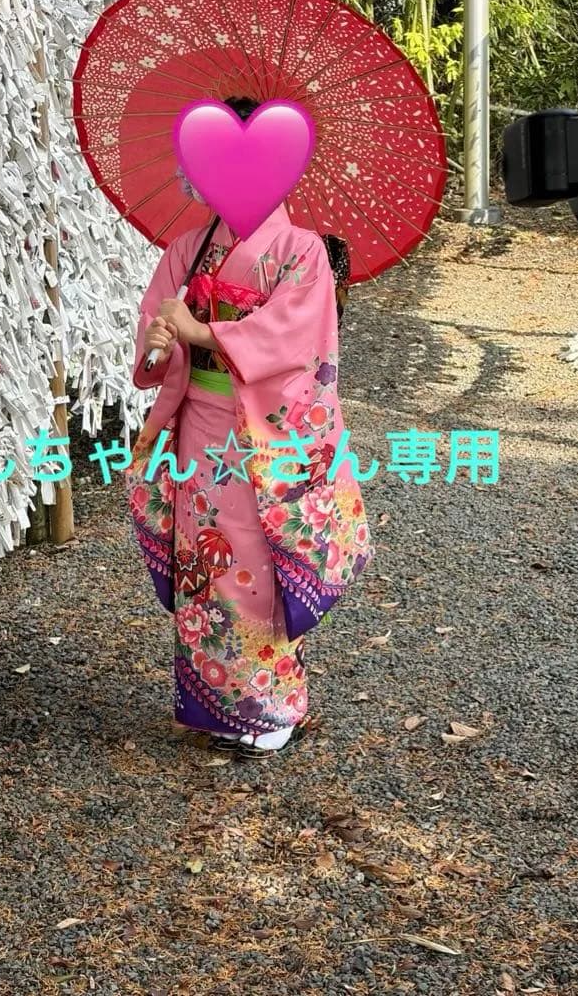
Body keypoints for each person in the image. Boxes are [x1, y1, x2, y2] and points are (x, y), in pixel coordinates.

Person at [125, 96, 374, 759]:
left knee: (257, 567)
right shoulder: (187, 250)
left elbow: (294, 342)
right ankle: (213, 702)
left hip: (264, 433)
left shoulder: (301, 251)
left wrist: (203, 331)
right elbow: (156, 342)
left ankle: (273, 705)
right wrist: (160, 345)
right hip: (198, 428)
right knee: (202, 560)